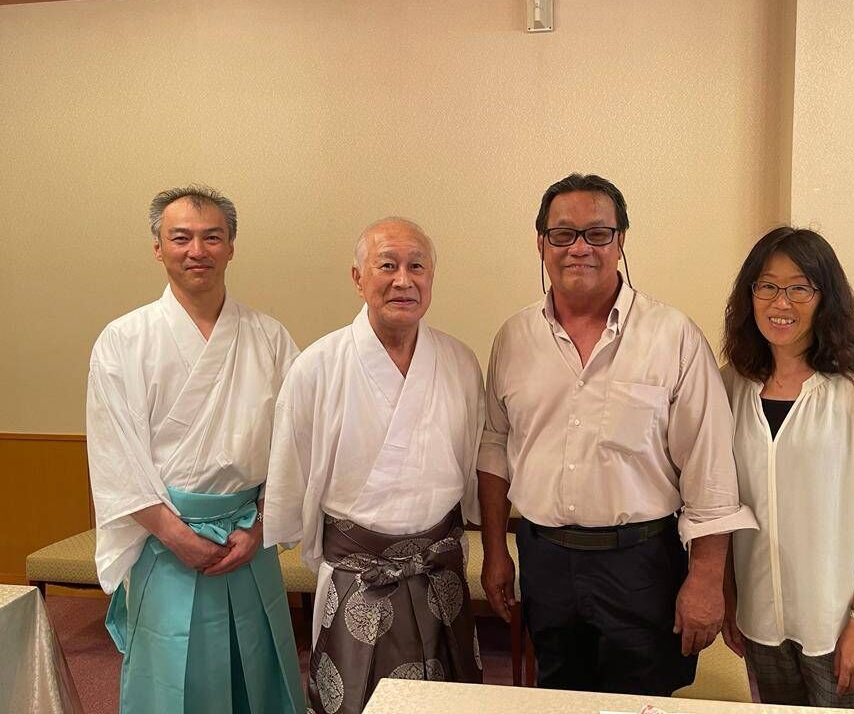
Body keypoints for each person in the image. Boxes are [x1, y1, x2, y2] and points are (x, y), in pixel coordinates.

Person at [477, 173, 758, 695]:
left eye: (597, 233)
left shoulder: (672, 336)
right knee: (561, 695)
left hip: (641, 563)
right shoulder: (513, 339)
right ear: (541, 243)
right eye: (562, 234)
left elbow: (710, 467)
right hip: (545, 558)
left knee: (643, 700)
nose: (579, 247)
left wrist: (705, 579)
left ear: (621, 241)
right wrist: (497, 550)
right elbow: (494, 446)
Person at [86, 185, 305, 714]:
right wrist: (175, 535)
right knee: (171, 683)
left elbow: (296, 444)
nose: (196, 250)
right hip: (165, 543)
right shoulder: (123, 340)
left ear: (231, 246)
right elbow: (115, 455)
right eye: (180, 237)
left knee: (257, 668)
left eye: (212, 237)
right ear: (158, 247)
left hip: (246, 536)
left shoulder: (270, 338)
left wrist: (259, 529)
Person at [263, 217, 484, 714]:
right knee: (356, 700)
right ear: (358, 278)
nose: (403, 280)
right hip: (357, 572)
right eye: (387, 265)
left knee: (448, 699)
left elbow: (470, 458)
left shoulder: (460, 362)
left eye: (417, 266)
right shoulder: (317, 366)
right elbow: (290, 467)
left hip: (438, 567)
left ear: (431, 278)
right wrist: (283, 526)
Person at [720, 226, 854, 708]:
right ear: (750, 296)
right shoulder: (729, 386)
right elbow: (722, 501)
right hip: (761, 617)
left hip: (838, 622)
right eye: (767, 285)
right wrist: (728, 597)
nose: (780, 302)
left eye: (799, 288)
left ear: (825, 297)